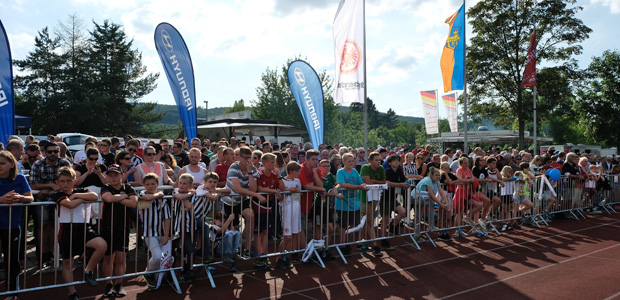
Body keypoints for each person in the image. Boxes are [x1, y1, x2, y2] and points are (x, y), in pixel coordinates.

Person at [52, 167, 107, 300]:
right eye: (62, 181)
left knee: (102, 245)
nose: (65, 184)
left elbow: (94, 196)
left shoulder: (80, 191)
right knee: (67, 264)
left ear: (74, 181)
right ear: (57, 182)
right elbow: (69, 205)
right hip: (66, 232)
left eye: (68, 181)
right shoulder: (57, 194)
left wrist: (76, 196)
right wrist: (83, 199)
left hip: (85, 229)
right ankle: (72, 292)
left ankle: (87, 271)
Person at [29, 142, 72, 265]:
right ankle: (42, 254)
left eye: (55, 151)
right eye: (50, 151)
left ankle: (52, 252)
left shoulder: (65, 163)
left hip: (59, 201)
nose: (53, 154)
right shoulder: (38, 164)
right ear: (44, 152)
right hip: (42, 201)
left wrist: (49, 189)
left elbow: (70, 181)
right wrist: (51, 185)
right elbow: (32, 184)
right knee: (42, 226)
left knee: (55, 226)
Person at [0, 150, 34, 299]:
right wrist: (1, 200)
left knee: (12, 261)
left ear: (12, 164)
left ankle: (12, 293)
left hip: (12, 225)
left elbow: (30, 198)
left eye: (2, 163)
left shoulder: (20, 178)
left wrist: (20, 197)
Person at [100, 164, 137, 297]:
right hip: (107, 227)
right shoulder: (105, 187)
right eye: (110, 175)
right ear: (107, 176)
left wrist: (119, 198)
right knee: (108, 258)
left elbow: (134, 203)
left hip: (123, 227)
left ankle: (119, 284)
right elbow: (108, 198)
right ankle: (108, 284)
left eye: (116, 174)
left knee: (121, 258)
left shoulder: (128, 188)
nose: (113, 177)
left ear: (121, 175)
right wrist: (124, 197)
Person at [225, 146, 265, 257]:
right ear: (239, 158)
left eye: (250, 158)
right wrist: (256, 195)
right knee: (233, 227)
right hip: (230, 201)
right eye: (245, 158)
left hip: (243, 199)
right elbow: (237, 189)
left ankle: (247, 248)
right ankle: (231, 252)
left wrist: (250, 173)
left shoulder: (252, 169)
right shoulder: (233, 167)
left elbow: (253, 188)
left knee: (250, 216)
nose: (247, 160)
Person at [138, 173, 171, 290]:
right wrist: (158, 194)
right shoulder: (142, 194)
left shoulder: (163, 200)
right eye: (147, 184)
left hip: (162, 232)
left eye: (153, 184)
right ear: (144, 185)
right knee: (157, 256)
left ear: (157, 184)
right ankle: (148, 272)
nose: (150, 186)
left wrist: (166, 235)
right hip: (149, 232)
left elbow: (167, 218)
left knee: (166, 257)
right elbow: (145, 198)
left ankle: (158, 277)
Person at [255, 153, 284, 267]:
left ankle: (264, 254)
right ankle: (258, 255)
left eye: (274, 162)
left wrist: (279, 175)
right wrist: (275, 191)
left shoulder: (274, 174)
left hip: (269, 206)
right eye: (272, 163)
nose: (274, 165)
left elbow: (282, 187)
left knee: (266, 231)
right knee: (258, 232)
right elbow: (259, 188)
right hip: (259, 206)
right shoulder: (259, 174)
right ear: (265, 163)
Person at [335, 153, 367, 256]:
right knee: (343, 225)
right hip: (343, 204)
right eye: (349, 161)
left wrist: (363, 185)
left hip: (355, 203)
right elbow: (343, 184)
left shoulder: (355, 171)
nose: (351, 163)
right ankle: (342, 245)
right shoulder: (340, 172)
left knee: (354, 225)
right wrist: (359, 187)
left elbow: (360, 182)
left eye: (352, 161)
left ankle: (350, 242)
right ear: (343, 162)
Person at [276, 161, 303, 269]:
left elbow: (298, 195)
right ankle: (279, 257)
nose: (299, 173)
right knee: (287, 236)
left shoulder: (297, 180)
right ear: (291, 171)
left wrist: (296, 192)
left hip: (296, 208)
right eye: (297, 171)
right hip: (286, 209)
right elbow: (279, 197)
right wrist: (288, 190)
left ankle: (290, 255)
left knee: (295, 233)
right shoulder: (282, 181)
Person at [359, 152, 386, 257]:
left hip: (374, 198)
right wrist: (376, 182)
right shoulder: (365, 167)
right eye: (376, 160)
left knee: (368, 221)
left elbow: (383, 181)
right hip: (364, 198)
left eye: (379, 160)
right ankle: (370, 244)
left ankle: (364, 242)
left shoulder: (381, 169)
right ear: (370, 161)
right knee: (366, 221)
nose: (379, 162)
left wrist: (373, 181)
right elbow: (368, 182)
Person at [381, 155, 408, 248]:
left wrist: (405, 184)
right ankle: (383, 240)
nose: (397, 162)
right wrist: (401, 184)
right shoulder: (388, 171)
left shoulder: (399, 170)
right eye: (394, 161)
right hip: (385, 197)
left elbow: (405, 180)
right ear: (389, 163)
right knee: (385, 219)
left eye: (398, 161)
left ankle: (393, 225)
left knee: (402, 211)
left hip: (394, 198)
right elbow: (387, 182)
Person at [414, 167, 449, 236]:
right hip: (416, 197)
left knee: (431, 204)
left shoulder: (437, 181)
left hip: (424, 197)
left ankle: (429, 226)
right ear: (431, 175)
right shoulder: (428, 180)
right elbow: (431, 194)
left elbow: (441, 191)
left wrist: (446, 201)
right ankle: (419, 231)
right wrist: (441, 204)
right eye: (436, 175)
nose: (438, 176)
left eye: (439, 175)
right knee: (421, 212)